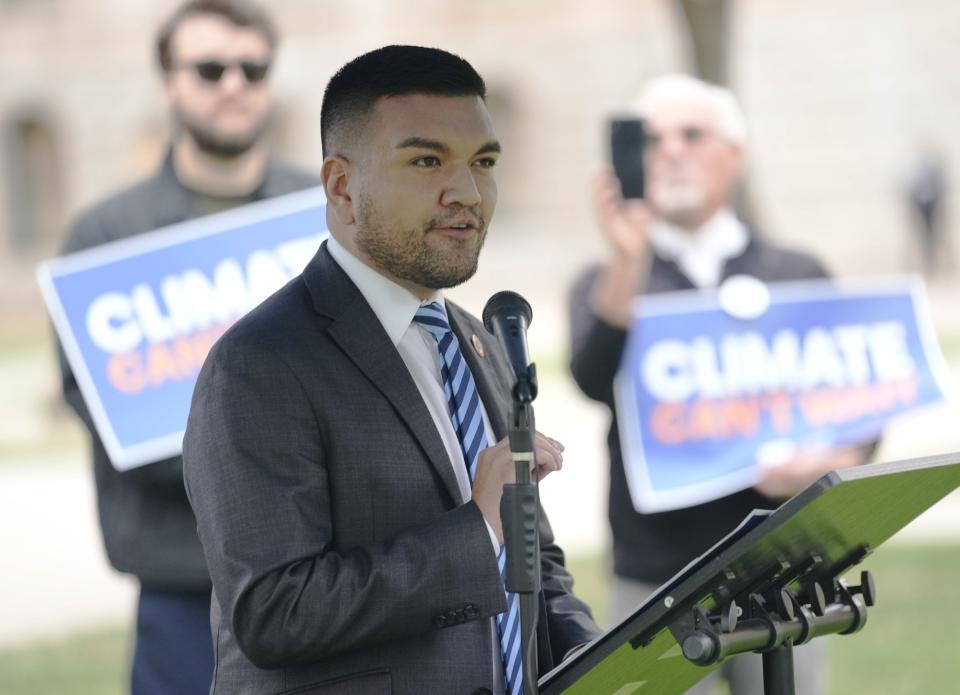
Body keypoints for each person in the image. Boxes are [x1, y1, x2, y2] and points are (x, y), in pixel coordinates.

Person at [182, 45, 600, 695]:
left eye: (483, 162)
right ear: (341, 186)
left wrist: (595, 658)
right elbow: (275, 611)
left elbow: (533, 560)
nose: (466, 191)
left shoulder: (476, 340)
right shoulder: (259, 364)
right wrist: (478, 527)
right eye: (427, 159)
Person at [568, 74, 873, 695]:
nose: (671, 150)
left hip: (786, 571)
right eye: (652, 138)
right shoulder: (609, 279)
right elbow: (593, 378)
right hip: (657, 579)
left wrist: (836, 460)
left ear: (734, 154)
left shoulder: (800, 273)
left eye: (691, 134)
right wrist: (629, 259)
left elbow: (859, 398)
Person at [56, 1, 319, 692]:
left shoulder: (328, 213)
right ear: (169, 81)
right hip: (181, 583)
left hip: (324, 575)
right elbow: (103, 408)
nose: (234, 84)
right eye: (209, 68)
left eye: (252, 68)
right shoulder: (106, 236)